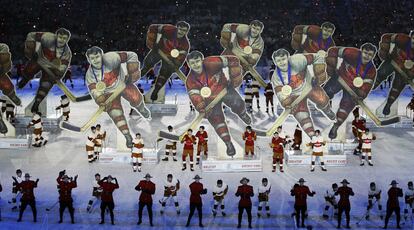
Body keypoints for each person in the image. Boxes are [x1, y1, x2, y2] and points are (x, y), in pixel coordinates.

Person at [185, 51, 252, 157]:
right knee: (217, 121)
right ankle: (228, 143)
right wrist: (202, 107)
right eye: (192, 63)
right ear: (188, 64)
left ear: (202, 60)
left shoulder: (212, 62)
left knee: (238, 103)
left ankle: (242, 113)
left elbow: (233, 60)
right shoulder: (190, 80)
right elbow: (195, 97)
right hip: (210, 101)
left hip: (224, 89)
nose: (195, 65)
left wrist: (235, 75)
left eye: (197, 61)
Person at [85, 46, 150, 148]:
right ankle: (127, 136)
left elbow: (131, 55)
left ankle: (142, 109)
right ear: (88, 60)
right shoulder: (90, 75)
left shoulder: (111, 58)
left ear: (102, 55)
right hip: (108, 94)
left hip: (122, 83)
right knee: (116, 114)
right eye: (92, 58)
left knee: (135, 97)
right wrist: (101, 100)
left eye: (97, 57)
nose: (95, 60)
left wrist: (132, 71)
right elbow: (95, 91)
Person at [271, 48, 335, 138]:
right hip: (294, 96)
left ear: (288, 58)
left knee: (322, 99)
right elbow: (280, 94)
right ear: (275, 62)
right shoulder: (276, 77)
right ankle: (312, 135)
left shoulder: (298, 60)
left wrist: (319, 72)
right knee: (301, 115)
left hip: (308, 85)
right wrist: (286, 103)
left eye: (283, 59)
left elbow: (317, 56)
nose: (282, 62)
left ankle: (327, 110)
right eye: (278, 61)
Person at [324, 43, 378, 139]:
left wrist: (361, 95)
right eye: (365, 53)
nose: (367, 56)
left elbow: (367, 86)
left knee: (346, 106)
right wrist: (332, 65)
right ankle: (325, 105)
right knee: (326, 92)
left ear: (373, 56)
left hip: (354, 89)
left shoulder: (372, 70)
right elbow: (333, 51)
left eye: (370, 55)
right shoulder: (351, 53)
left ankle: (336, 126)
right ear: (361, 52)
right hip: (340, 78)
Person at [19, 28, 72, 113]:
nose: (62, 40)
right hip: (39, 59)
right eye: (60, 37)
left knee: (46, 84)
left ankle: (37, 103)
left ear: (67, 39)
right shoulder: (48, 37)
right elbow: (31, 35)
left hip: (51, 68)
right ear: (56, 36)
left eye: (64, 38)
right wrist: (32, 50)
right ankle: (26, 78)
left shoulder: (67, 53)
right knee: (31, 66)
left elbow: (63, 67)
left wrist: (58, 75)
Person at [141, 21, 190, 101]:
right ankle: (133, 79)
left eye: (184, 30)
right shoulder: (169, 29)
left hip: (170, 58)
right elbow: (153, 27)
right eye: (180, 29)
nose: (181, 32)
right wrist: (153, 43)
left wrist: (175, 65)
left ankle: (156, 91)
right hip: (158, 50)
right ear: (176, 27)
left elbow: (181, 58)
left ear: (187, 32)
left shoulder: (185, 44)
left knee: (165, 74)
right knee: (146, 67)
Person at [374, 32, 414, 115]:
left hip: (404, 70)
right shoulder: (402, 39)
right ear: (411, 38)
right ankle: (369, 88)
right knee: (381, 74)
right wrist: (385, 50)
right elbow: (386, 37)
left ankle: (388, 105)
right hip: (393, 61)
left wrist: (410, 73)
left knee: (397, 86)